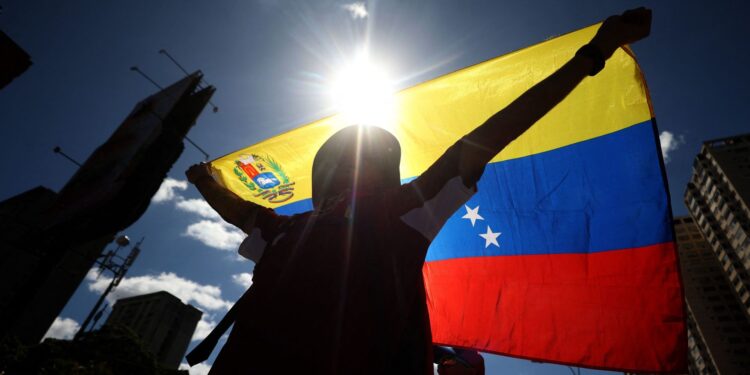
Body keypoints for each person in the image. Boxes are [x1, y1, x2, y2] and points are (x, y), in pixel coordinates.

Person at [186, 8, 651, 374]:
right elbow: (238, 211)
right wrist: (205, 182)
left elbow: (493, 132)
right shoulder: (287, 229)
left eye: (361, 159)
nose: (348, 167)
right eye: (340, 161)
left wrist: (591, 56)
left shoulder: (403, 209)